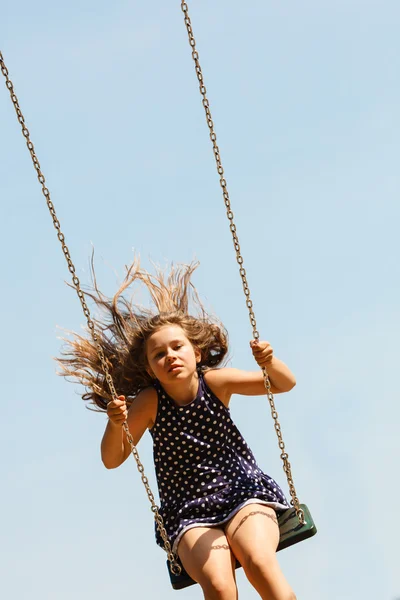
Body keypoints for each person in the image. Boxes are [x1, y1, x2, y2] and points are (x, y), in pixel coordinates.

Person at [59, 259, 297, 600]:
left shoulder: (216, 383)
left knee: (258, 562)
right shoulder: (149, 403)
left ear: (196, 353)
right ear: (151, 369)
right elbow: (112, 459)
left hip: (242, 493)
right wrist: (116, 425)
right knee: (219, 586)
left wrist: (270, 361)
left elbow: (282, 383)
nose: (169, 356)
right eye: (158, 355)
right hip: (189, 512)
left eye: (177, 347)